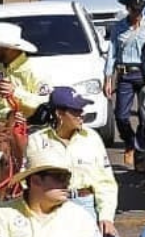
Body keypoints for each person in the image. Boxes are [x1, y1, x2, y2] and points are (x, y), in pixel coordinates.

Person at [26, 87, 119, 236]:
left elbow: (105, 182)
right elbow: (30, 184)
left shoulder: (92, 138)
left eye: (81, 109)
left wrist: (106, 217)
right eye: (75, 111)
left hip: (85, 205)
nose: (81, 114)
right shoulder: (36, 141)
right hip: (49, 209)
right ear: (59, 114)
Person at [0, 146, 100, 237]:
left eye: (67, 177)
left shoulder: (80, 217)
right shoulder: (1, 215)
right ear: (36, 181)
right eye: (59, 177)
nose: (67, 183)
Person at [103, 0, 145, 167]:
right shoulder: (119, 27)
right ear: (128, 9)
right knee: (121, 116)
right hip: (125, 73)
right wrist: (108, 77)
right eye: (134, 10)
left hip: (143, 72)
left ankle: (139, 149)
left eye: (139, 10)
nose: (137, 13)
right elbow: (112, 52)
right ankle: (130, 141)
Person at [0, 23, 49, 122]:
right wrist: (7, 113)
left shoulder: (34, 69)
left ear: (10, 49)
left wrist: (16, 92)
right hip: (4, 128)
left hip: (31, 128)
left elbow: (45, 100)